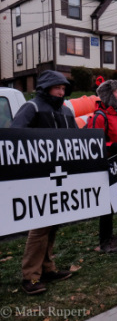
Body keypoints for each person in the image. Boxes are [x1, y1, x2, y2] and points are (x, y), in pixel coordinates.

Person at [11, 70, 75, 295]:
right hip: (40, 178)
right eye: (58, 87)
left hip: (61, 176)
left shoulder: (66, 111)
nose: (61, 91)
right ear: (46, 87)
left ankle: (47, 268)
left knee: (54, 222)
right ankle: (30, 276)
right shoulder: (32, 107)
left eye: (64, 88)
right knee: (39, 227)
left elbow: (77, 140)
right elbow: (15, 136)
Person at [92, 80, 117, 253]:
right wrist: (113, 147)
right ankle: (104, 242)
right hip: (106, 165)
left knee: (113, 202)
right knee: (106, 205)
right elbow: (95, 143)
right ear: (110, 95)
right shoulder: (101, 116)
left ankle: (109, 236)